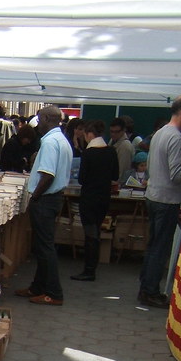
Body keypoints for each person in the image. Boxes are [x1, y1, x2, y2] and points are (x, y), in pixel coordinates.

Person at [138, 95, 181, 308]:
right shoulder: (176, 137)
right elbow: (177, 175)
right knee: (160, 247)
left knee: (153, 245)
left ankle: (145, 287)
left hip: (154, 195)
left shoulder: (159, 133)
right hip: (166, 199)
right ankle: (150, 291)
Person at [16, 105, 72, 306]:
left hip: (45, 199)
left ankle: (54, 292)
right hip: (54, 198)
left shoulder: (49, 142)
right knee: (42, 246)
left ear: (48, 118)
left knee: (45, 247)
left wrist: (35, 196)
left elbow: (48, 174)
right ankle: (37, 287)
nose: (37, 125)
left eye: (40, 120)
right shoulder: (62, 140)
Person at [72, 119, 119, 282]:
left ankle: (89, 270)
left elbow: (82, 179)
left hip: (89, 198)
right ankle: (92, 268)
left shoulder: (89, 153)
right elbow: (115, 176)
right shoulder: (111, 151)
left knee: (90, 234)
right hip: (104, 197)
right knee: (96, 231)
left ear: (89, 134)